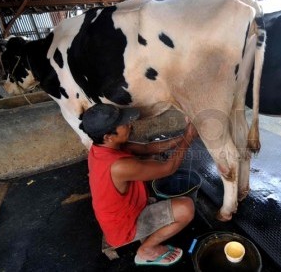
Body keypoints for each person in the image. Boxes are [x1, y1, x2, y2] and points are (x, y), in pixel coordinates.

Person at [79, 103, 198, 267]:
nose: (129, 125)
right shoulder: (119, 166)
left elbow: (148, 148)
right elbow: (168, 168)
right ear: (108, 136)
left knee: (149, 161)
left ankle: (145, 230)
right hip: (124, 228)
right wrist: (189, 137)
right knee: (186, 208)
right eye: (124, 124)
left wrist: (184, 136)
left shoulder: (101, 147)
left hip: (118, 215)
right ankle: (147, 250)